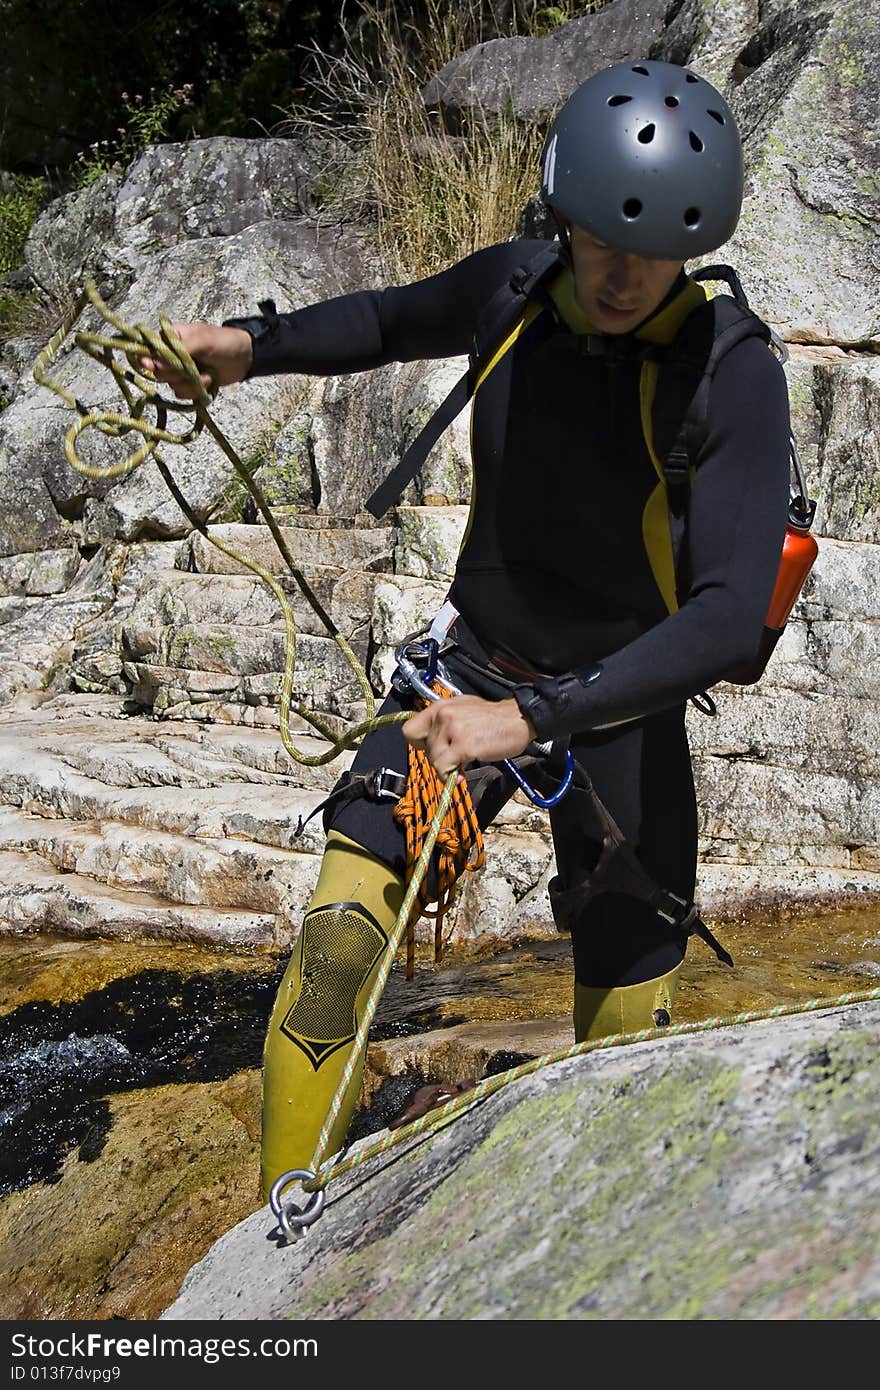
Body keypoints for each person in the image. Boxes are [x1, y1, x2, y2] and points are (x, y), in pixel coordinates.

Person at [138, 59, 791, 1202]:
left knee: (629, 1020)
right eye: (598, 239)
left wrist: (530, 720)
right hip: (471, 665)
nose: (623, 271)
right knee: (341, 941)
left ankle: (611, 1254)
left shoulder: (730, 374)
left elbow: (730, 621)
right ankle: (279, 1234)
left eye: (652, 250)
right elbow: (390, 318)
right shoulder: (514, 291)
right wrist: (245, 344)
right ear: (562, 216)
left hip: (620, 708)